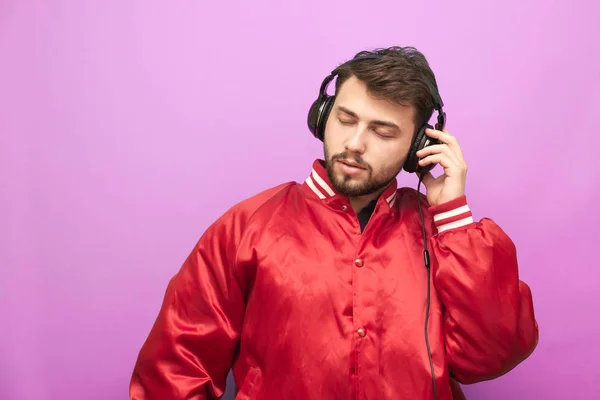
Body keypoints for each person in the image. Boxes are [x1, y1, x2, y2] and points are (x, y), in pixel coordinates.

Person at [129, 46, 538, 400]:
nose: (355, 143)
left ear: (418, 149)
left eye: (382, 131)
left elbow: (489, 356)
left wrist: (453, 217)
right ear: (322, 115)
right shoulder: (246, 227)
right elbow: (174, 370)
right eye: (345, 119)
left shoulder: (445, 235)